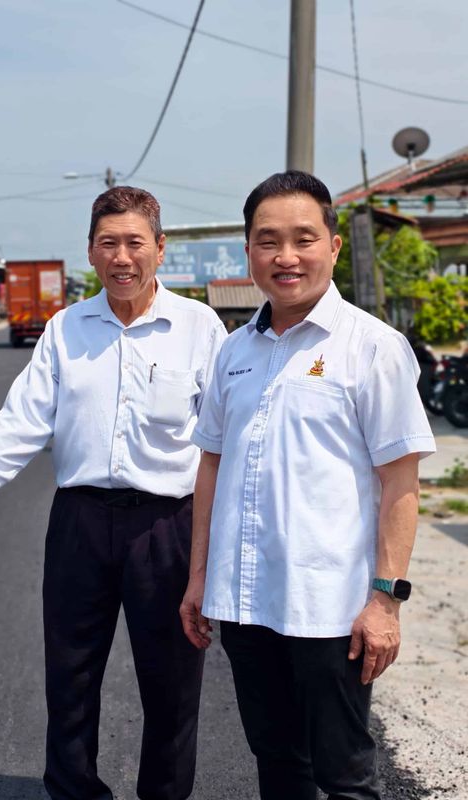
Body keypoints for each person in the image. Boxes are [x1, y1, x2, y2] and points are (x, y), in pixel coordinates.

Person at [0, 186, 226, 800]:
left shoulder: (200, 328)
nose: (122, 257)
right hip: (80, 523)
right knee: (70, 677)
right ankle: (74, 791)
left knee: (171, 683)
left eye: (135, 243)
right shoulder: (66, 329)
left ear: (160, 248)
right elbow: (21, 420)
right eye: (108, 243)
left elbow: (225, 437)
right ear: (90, 252)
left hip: (167, 528)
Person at [180, 171, 436, 800]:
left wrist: (386, 601)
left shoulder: (372, 347)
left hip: (331, 609)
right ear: (248, 251)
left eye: (303, 239)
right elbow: (211, 464)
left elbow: (400, 481)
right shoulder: (233, 351)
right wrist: (198, 577)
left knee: (344, 774)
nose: (286, 257)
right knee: (276, 763)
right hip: (246, 603)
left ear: (334, 246)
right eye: (268, 241)